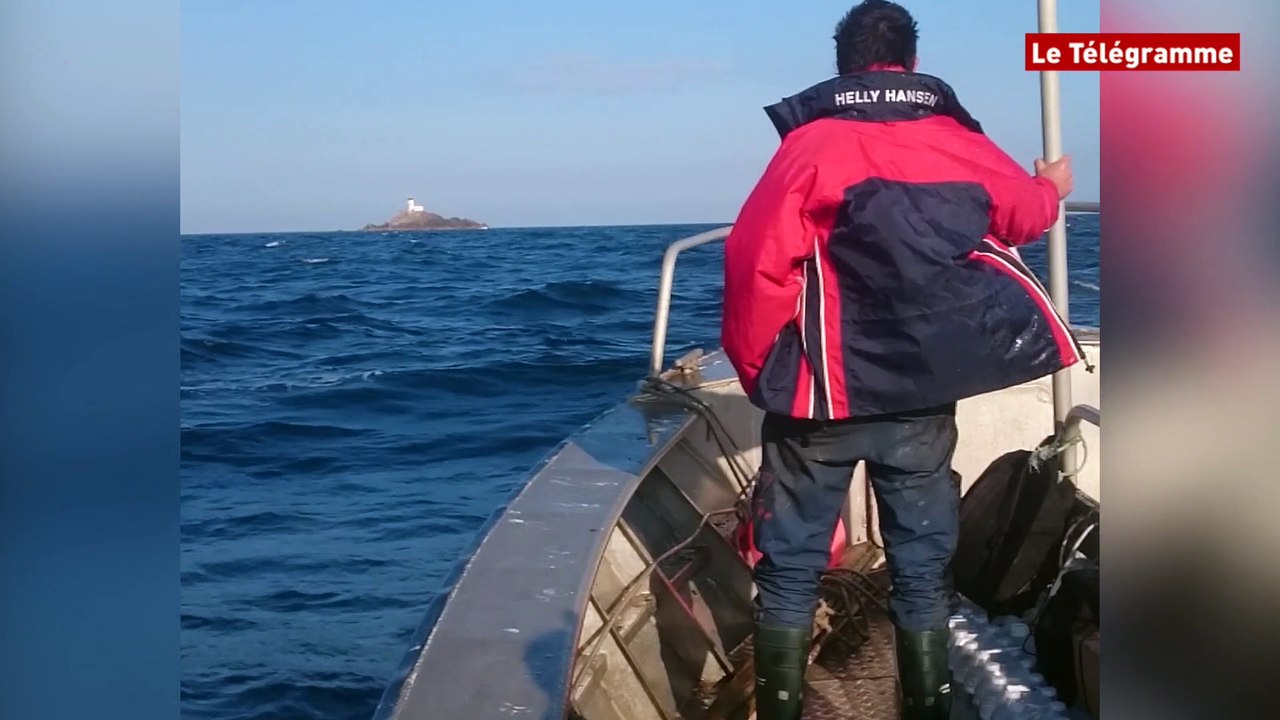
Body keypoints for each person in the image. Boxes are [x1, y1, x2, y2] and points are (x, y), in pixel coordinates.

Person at [719, 2, 1081, 718]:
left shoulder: (810, 146)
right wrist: (1052, 186)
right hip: (920, 396)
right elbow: (1021, 217)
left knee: (790, 571)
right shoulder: (958, 140)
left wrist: (760, 368)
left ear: (844, 64)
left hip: (819, 398)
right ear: (911, 63)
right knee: (920, 568)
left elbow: (755, 262)